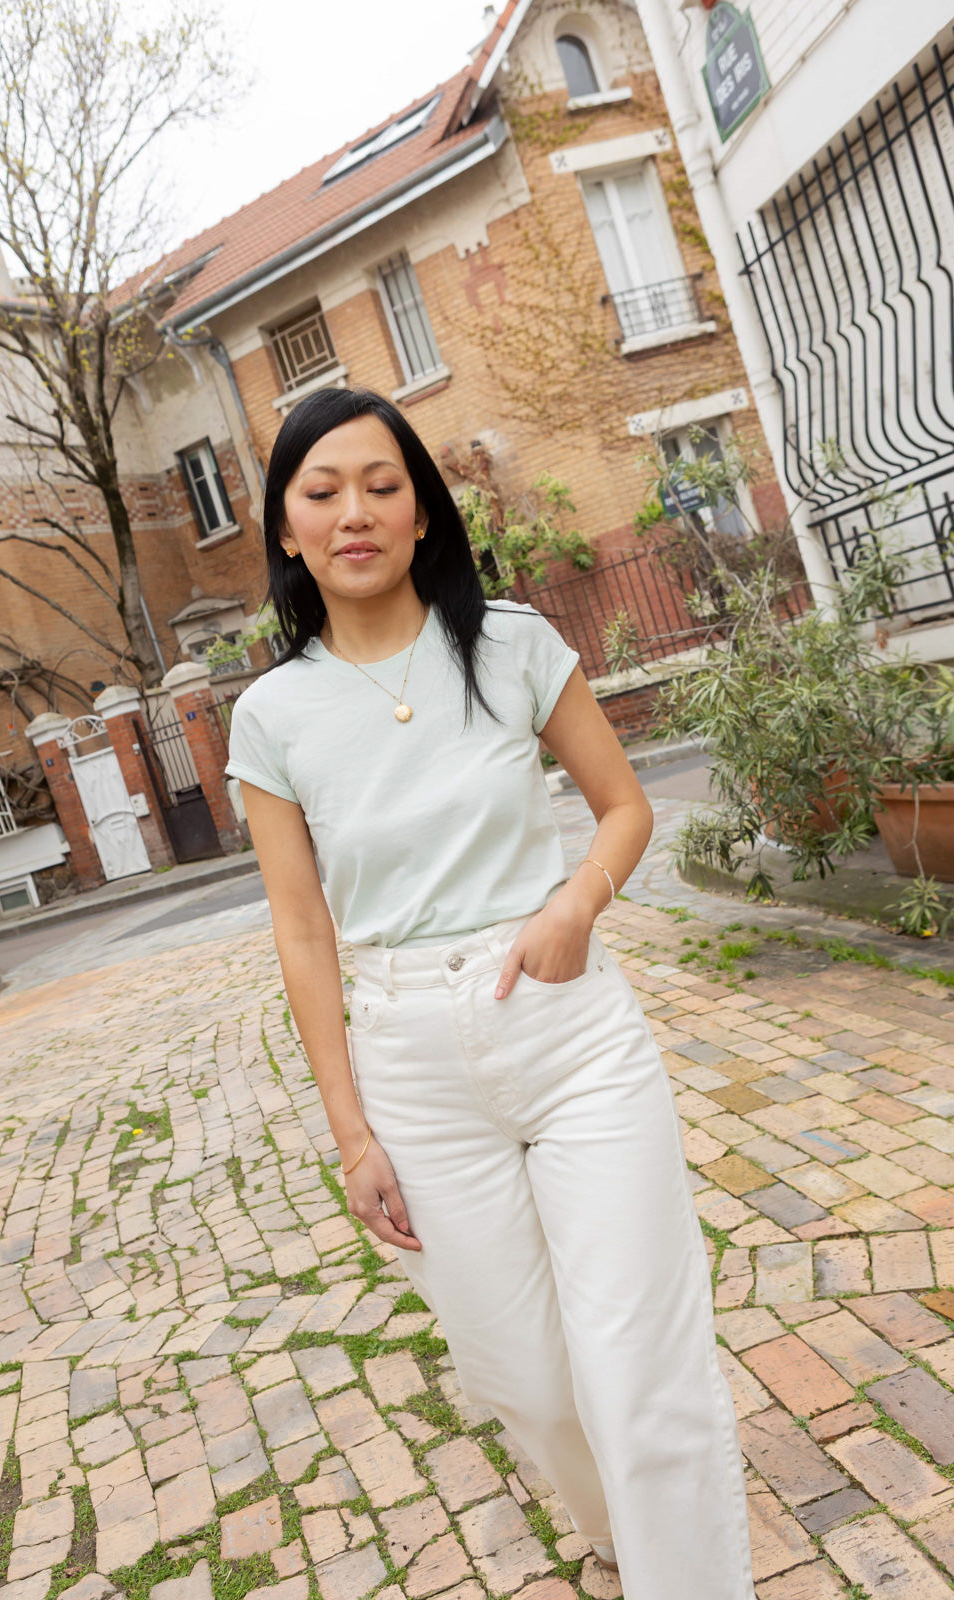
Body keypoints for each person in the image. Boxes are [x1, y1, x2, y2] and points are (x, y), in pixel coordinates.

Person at [226, 386, 756, 1600]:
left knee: (637, 1362)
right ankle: (625, 1532)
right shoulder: (270, 716)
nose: (353, 511)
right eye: (321, 492)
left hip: (566, 1031)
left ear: (420, 515)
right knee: (519, 1372)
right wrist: (351, 1127)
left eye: (380, 484)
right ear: (288, 530)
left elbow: (624, 806)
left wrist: (575, 903)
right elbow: (303, 933)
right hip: (411, 1059)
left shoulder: (510, 643)